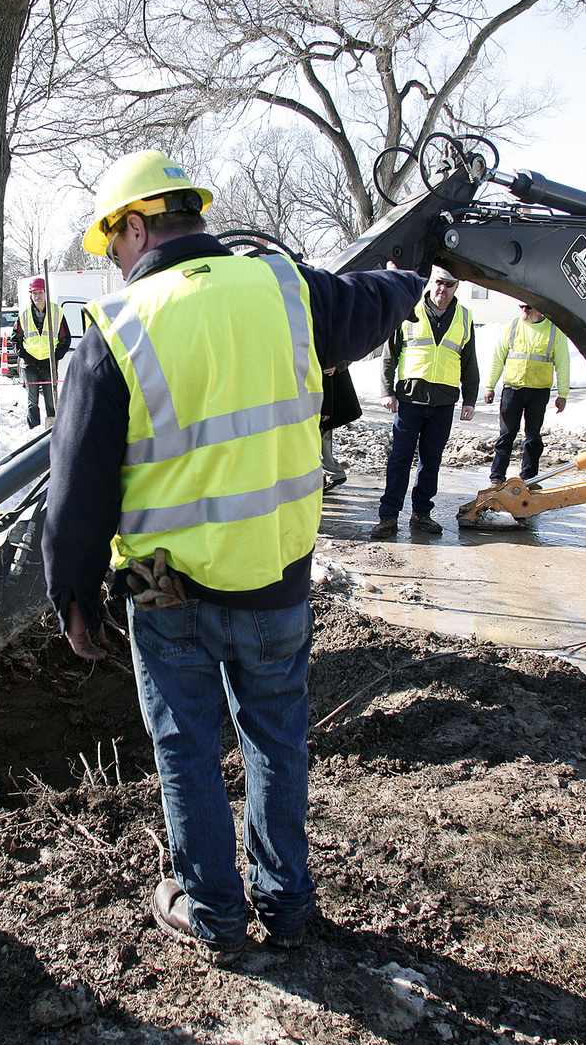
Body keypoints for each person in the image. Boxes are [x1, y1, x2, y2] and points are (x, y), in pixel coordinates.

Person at [42, 151, 420, 966]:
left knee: (186, 746)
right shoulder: (288, 290)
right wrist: (406, 276)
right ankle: (286, 906)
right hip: (278, 578)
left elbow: (77, 491)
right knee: (277, 741)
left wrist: (74, 596)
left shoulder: (117, 329)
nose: (115, 262)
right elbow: (377, 301)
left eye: (113, 244)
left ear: (137, 226)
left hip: (163, 588)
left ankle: (212, 912)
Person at [373, 269, 477, 539]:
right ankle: (388, 517)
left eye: (449, 285)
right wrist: (387, 391)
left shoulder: (464, 317)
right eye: (439, 283)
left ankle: (421, 513)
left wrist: (470, 399)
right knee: (400, 459)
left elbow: (469, 361)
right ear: (432, 283)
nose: (443, 290)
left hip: (443, 402)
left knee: (431, 461)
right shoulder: (410, 308)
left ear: (456, 287)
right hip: (410, 399)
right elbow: (389, 355)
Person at [482, 303, 571, 485]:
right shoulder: (513, 326)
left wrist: (563, 394)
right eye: (522, 306)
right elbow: (498, 357)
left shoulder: (554, 331)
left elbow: (563, 364)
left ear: (540, 308)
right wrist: (490, 386)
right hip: (512, 390)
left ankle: (529, 477)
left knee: (533, 437)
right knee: (506, 434)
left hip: (538, 392)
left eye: (528, 307)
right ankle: (497, 476)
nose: (524, 310)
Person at [15, 275, 71, 428]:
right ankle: (33, 430)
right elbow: (16, 339)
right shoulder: (24, 314)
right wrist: (24, 356)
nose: (37, 296)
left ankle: (51, 432)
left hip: (49, 364)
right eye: (34, 293)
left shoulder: (56, 312)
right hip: (30, 364)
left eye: (40, 292)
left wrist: (56, 356)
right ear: (31, 295)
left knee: (51, 400)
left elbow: (65, 338)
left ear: (45, 293)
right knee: (32, 401)